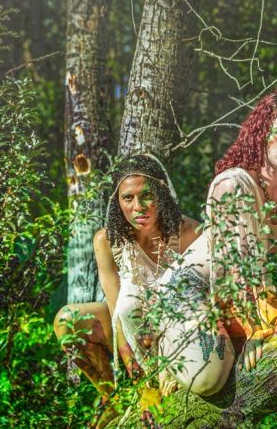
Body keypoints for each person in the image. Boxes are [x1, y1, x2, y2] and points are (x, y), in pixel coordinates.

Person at [153, 89, 277, 396]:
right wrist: (258, 328)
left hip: (236, 298)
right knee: (209, 379)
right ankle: (165, 349)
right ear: (262, 134)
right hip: (191, 291)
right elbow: (241, 270)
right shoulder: (233, 184)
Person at [53, 153, 200, 401]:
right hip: (131, 325)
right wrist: (139, 382)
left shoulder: (188, 232)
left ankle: (176, 373)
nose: (138, 207)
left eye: (146, 195)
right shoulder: (107, 241)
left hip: (180, 325)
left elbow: (202, 302)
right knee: (67, 321)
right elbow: (116, 313)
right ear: (117, 201)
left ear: (162, 194)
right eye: (128, 198)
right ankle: (114, 399)